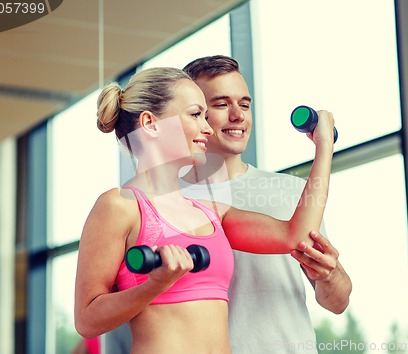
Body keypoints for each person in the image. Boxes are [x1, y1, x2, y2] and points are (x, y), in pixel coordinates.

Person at [74, 66, 336, 353]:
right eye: (196, 114)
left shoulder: (210, 210)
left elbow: (295, 236)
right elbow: (87, 320)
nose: (208, 128)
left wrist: (323, 149)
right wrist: (154, 286)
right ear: (150, 123)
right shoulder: (119, 206)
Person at [180, 55, 353, 353]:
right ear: (193, 113)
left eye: (245, 105)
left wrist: (330, 275)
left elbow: (336, 303)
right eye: (221, 105)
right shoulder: (171, 201)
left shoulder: (292, 192)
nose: (238, 116)